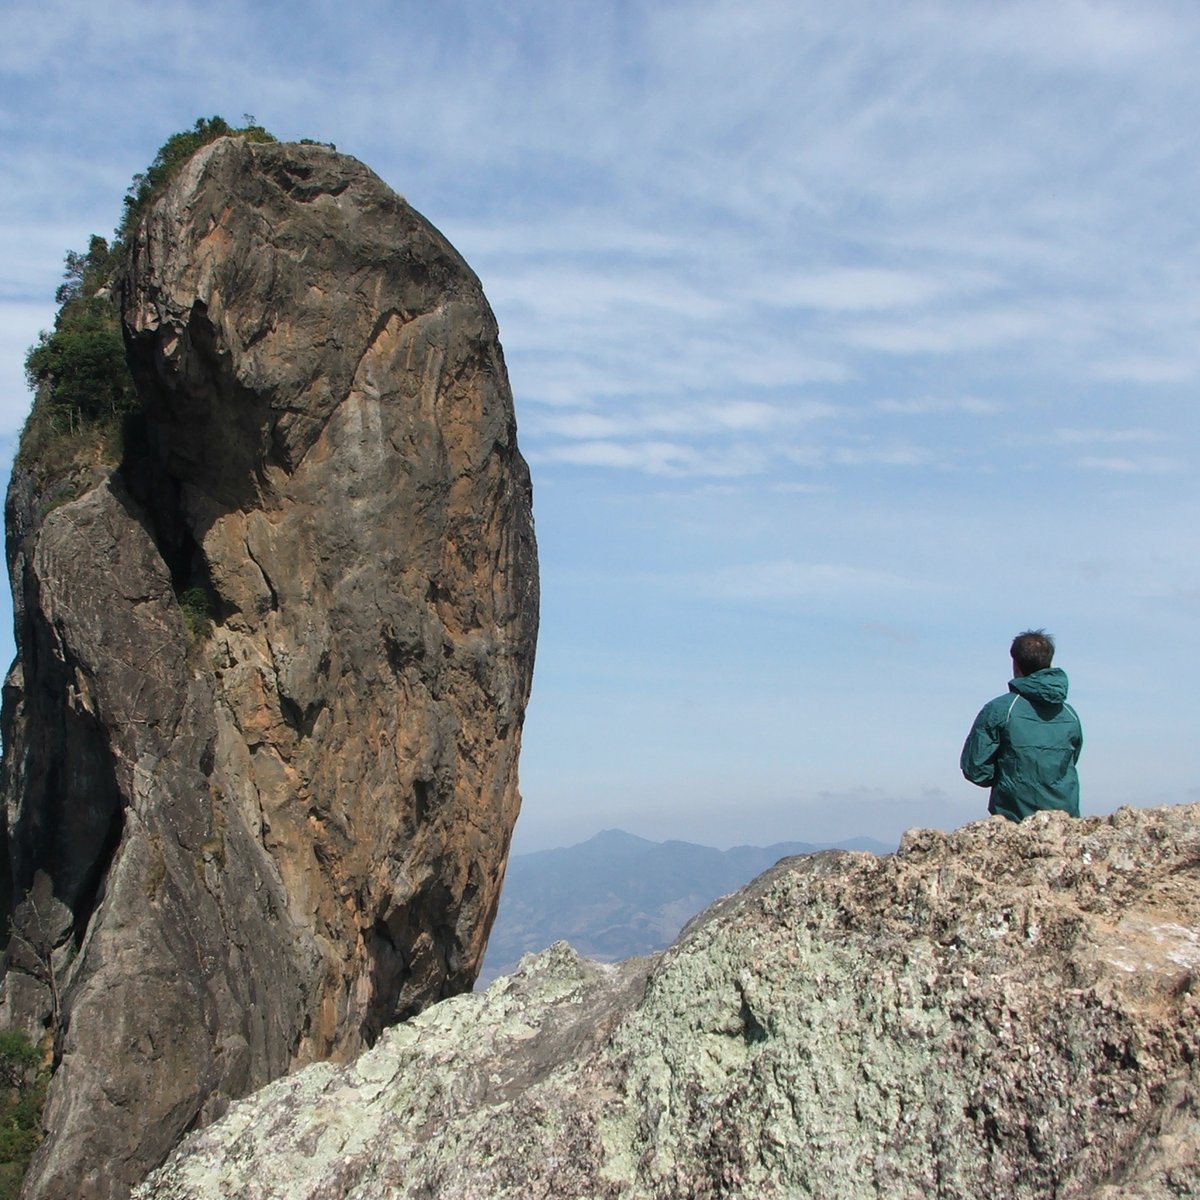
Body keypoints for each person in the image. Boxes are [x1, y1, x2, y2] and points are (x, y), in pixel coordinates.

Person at [960, 629, 1082, 821]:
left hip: (1014, 821)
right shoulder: (1070, 715)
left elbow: (975, 768)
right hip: (1065, 823)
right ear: (1049, 663)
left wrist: (1008, 779)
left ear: (1015, 665)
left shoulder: (1001, 709)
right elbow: (1071, 759)